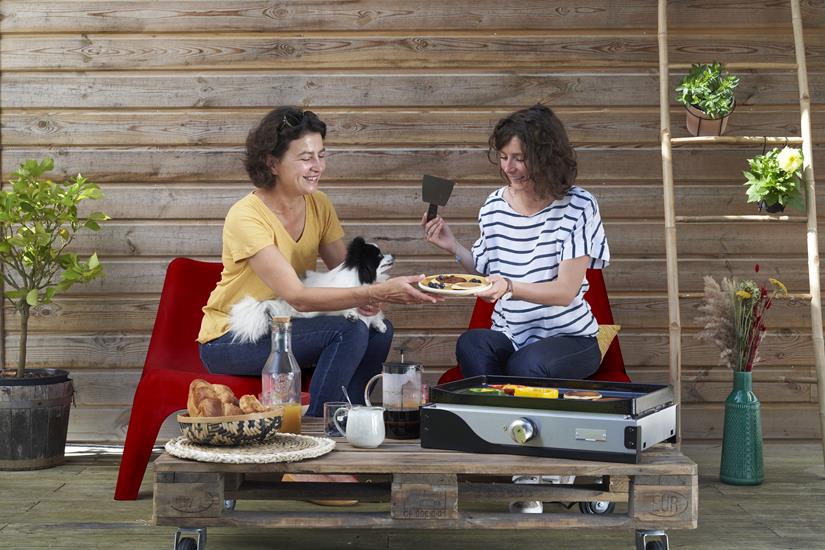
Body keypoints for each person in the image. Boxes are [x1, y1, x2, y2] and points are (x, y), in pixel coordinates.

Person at [198, 106, 440, 417]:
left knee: (379, 330)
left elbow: (351, 276)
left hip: (286, 327)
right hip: (233, 338)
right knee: (347, 330)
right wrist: (377, 292)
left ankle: (347, 420)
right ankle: (315, 435)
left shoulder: (319, 204)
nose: (318, 166)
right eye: (305, 158)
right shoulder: (246, 216)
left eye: (321, 155)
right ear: (272, 163)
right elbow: (297, 297)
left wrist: (395, 291)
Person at [422, 104, 610, 381]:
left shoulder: (579, 205)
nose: (509, 168)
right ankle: (492, 420)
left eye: (519, 158)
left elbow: (565, 292)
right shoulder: (494, 205)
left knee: (526, 365)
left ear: (546, 157)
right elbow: (488, 275)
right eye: (503, 157)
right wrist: (454, 247)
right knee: (471, 345)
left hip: (571, 339)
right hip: (511, 335)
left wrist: (510, 287)